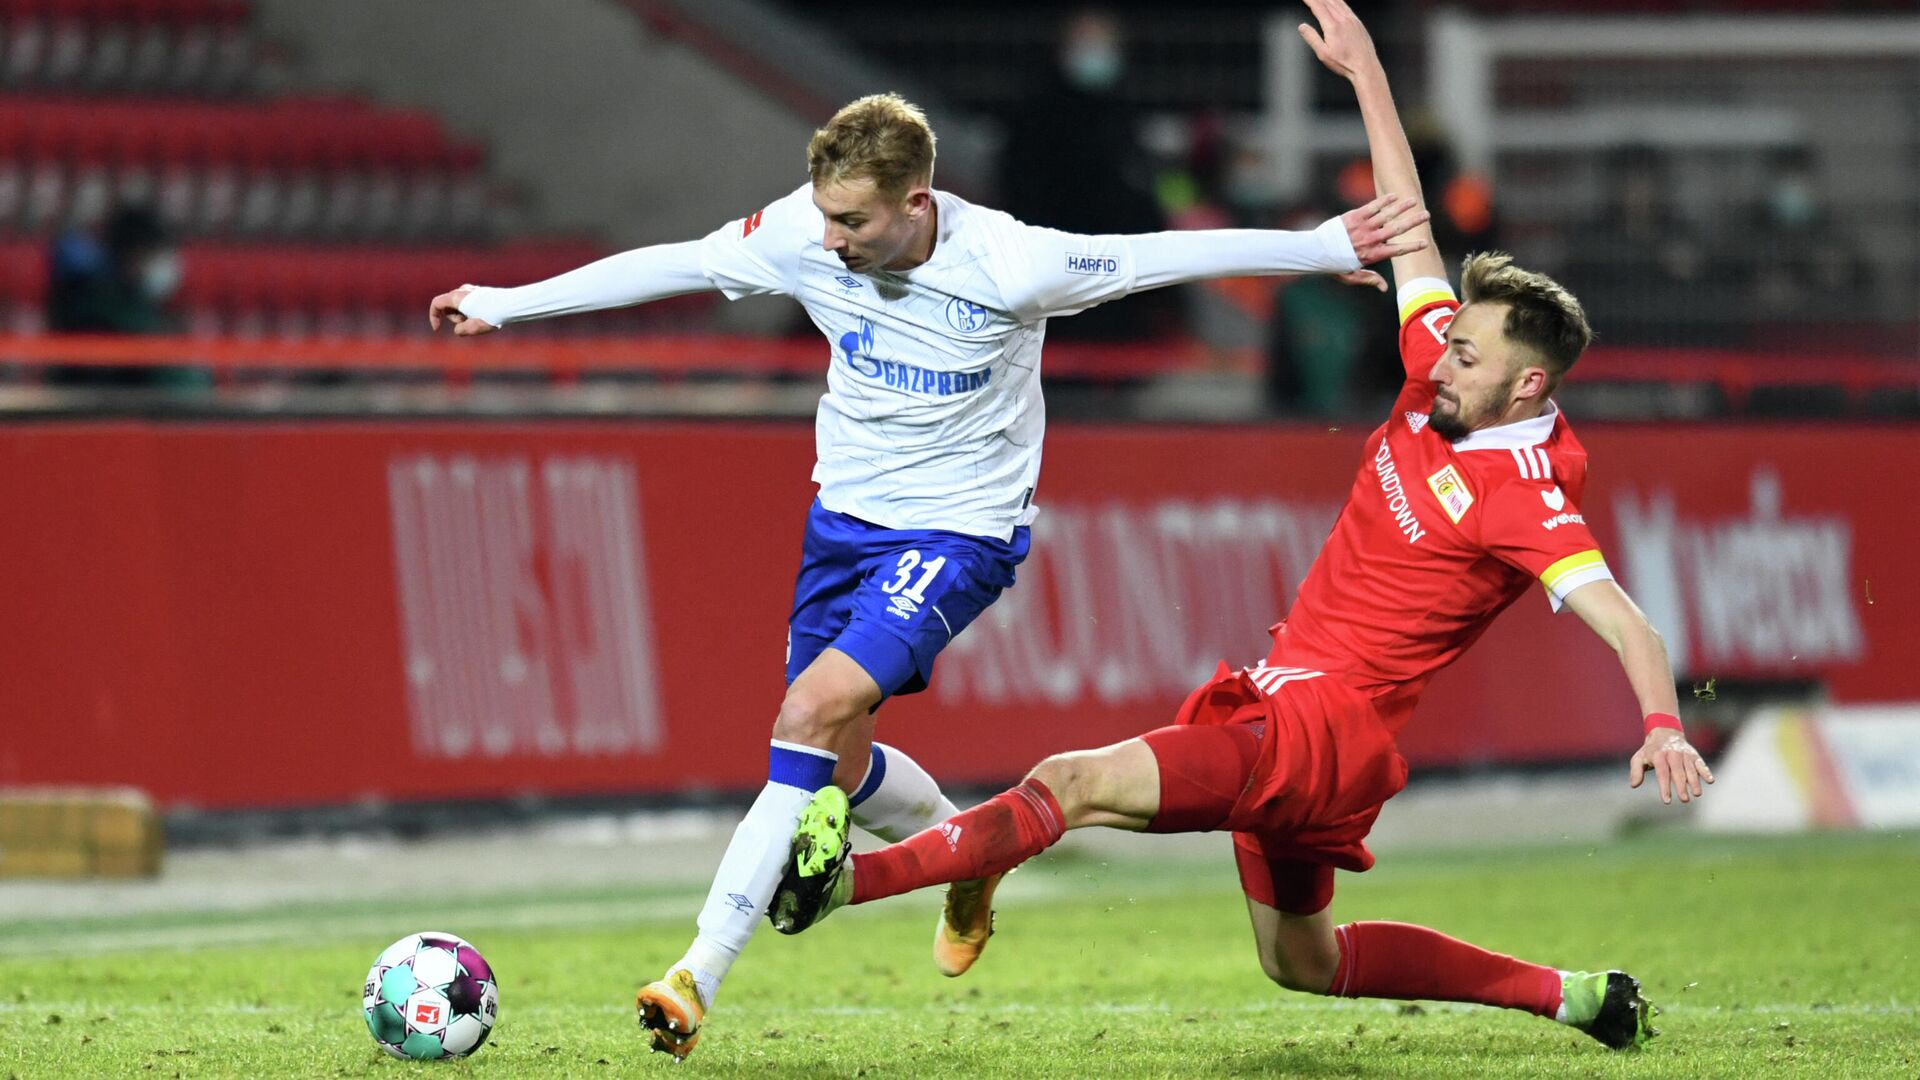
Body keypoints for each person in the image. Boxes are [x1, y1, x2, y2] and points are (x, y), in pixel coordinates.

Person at [773, 4, 1714, 1055]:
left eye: (1467, 357)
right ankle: (1577, 997)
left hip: (1317, 732)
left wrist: (1664, 724)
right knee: (1303, 963)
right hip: (1319, 729)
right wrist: (1363, 75)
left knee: (1069, 784)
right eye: (1449, 343)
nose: (1439, 358)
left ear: (1526, 384)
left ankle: (849, 883)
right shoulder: (1446, 374)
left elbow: (1629, 623)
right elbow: (1408, 226)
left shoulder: (1529, 498)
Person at [427, 91, 1428, 1059]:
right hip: (843, 525)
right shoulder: (800, 231)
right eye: (823, 216)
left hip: (960, 535)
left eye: (852, 220)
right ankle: (973, 853)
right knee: (842, 757)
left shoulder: (1013, 261)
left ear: (916, 203)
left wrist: (1323, 247)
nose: (829, 240)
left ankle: (696, 972)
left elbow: (1155, 256)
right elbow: (681, 262)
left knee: (808, 717)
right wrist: (505, 305)